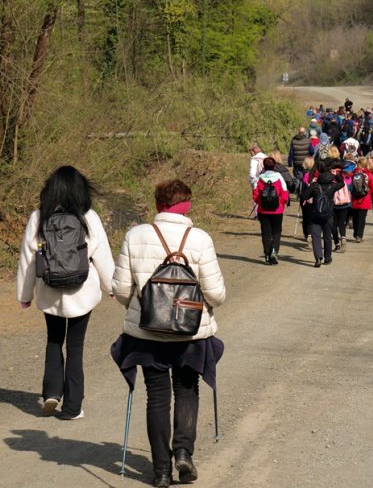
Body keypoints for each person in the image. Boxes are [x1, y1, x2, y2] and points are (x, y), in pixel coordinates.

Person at [111, 179, 227, 487]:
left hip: (147, 332)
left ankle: (161, 471)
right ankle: (183, 454)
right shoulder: (200, 239)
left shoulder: (135, 235)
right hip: (190, 334)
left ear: (158, 204)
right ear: (187, 205)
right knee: (187, 390)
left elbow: (121, 289)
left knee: (157, 397)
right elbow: (216, 295)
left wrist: (137, 305)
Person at [16, 166, 115, 419]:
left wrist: (25, 295)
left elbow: (28, 261)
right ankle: (72, 407)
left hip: (50, 291)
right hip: (82, 292)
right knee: (75, 347)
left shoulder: (39, 217)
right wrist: (114, 287)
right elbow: (102, 257)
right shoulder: (88, 217)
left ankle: (51, 392)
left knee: (53, 340)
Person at [300, 160, 345, 267]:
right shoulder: (332, 186)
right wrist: (337, 175)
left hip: (316, 214)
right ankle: (328, 258)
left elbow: (304, 196)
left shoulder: (315, 186)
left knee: (315, 236)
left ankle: (318, 258)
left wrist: (311, 188)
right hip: (328, 214)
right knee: (327, 237)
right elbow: (342, 183)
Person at [253, 157, 290, 264]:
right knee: (276, 232)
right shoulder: (279, 178)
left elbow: (255, 195)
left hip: (263, 210)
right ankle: (274, 250)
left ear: (264, 166)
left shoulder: (259, 179)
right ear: (274, 166)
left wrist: (261, 203)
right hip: (277, 210)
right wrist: (282, 204)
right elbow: (284, 194)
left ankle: (267, 255)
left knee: (266, 233)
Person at [350, 157, 373, 242]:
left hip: (354, 199)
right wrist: (369, 192)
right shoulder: (368, 174)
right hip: (365, 199)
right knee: (362, 218)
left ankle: (355, 233)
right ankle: (359, 235)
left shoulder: (353, 174)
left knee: (355, 217)